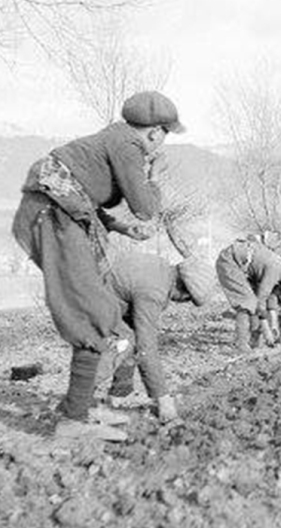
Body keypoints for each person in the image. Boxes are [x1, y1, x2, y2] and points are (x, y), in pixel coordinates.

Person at [11, 90, 185, 443]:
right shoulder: (129, 146)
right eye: (165, 135)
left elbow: (84, 193)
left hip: (58, 215)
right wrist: (155, 177)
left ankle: (82, 408)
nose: (161, 144)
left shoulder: (113, 138)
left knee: (98, 310)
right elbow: (145, 207)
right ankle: (74, 420)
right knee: (93, 312)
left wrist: (120, 227)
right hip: (53, 218)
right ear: (155, 132)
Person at [102, 253, 217, 423]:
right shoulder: (154, 292)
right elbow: (146, 347)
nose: (182, 302)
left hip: (107, 301)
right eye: (187, 299)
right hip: (93, 306)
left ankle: (118, 396)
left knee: (130, 336)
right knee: (124, 344)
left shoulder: (161, 268)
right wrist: (163, 398)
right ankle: (78, 404)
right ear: (183, 289)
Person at [215, 234, 281, 352]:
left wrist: (274, 326)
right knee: (248, 302)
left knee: (253, 302)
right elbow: (261, 300)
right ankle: (241, 344)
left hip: (240, 265)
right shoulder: (277, 269)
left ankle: (255, 341)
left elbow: (270, 298)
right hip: (230, 261)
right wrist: (267, 330)